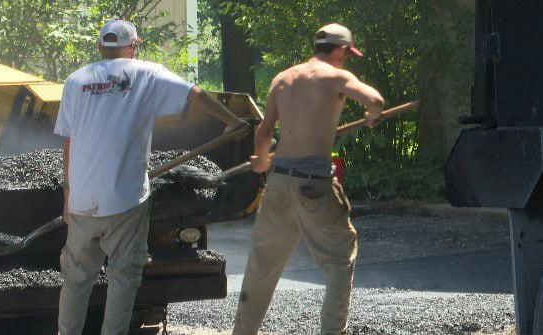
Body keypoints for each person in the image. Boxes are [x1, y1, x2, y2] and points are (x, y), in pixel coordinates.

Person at [54, 19, 247, 335]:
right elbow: (194, 94)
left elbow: (68, 142)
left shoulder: (77, 81)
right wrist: (232, 120)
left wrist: (68, 197)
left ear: (102, 47)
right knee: (123, 277)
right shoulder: (146, 73)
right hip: (125, 200)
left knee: (76, 278)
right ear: (132, 46)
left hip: (82, 201)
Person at [232, 23, 385, 335]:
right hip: (313, 183)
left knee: (262, 266)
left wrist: (261, 163)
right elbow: (376, 101)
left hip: (279, 182)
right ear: (342, 50)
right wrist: (372, 115)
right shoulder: (337, 77)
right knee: (340, 260)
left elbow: (264, 133)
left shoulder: (283, 79)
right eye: (348, 54)